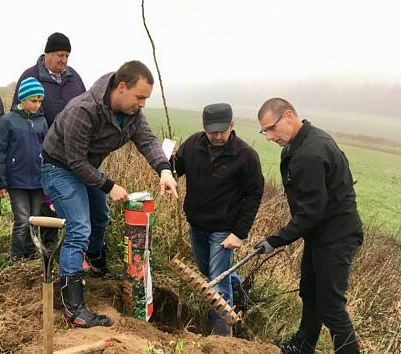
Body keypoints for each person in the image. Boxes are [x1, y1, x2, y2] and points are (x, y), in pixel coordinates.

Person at [41, 60, 178, 328]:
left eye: (145, 99)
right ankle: (74, 307)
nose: (142, 104)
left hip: (86, 167)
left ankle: (94, 268)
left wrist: (164, 170)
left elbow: (148, 141)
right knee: (80, 227)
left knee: (100, 218)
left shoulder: (132, 115)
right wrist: (109, 186)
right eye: (139, 97)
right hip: (59, 167)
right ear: (122, 87)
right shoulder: (84, 110)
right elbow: (75, 161)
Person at [255, 98, 362, 354]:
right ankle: (303, 345)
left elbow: (310, 213)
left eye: (271, 128)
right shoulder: (298, 145)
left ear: (289, 116)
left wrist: (275, 240)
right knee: (310, 294)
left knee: (331, 306)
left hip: (337, 237)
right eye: (264, 131)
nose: (269, 137)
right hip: (319, 236)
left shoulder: (312, 152)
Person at [173, 103, 264, 336]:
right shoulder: (193, 145)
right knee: (208, 269)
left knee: (216, 283)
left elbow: (254, 195)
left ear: (232, 125)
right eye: (213, 131)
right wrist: (166, 160)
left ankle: (222, 338)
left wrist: (239, 233)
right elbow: (176, 169)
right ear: (204, 127)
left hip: (224, 230)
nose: (218, 135)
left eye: (223, 130)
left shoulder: (245, 156)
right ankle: (239, 291)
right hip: (197, 224)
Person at [0, 77, 48, 261]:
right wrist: (1, 181)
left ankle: (31, 255)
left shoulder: (42, 122)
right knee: (22, 221)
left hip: (38, 181)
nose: (38, 104)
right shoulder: (8, 121)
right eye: (34, 101)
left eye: (40, 100)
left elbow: (47, 150)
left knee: (34, 221)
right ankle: (16, 258)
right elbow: (0, 152)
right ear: (22, 100)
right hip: (17, 181)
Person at [12, 32, 86, 127]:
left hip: (71, 138)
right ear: (47, 54)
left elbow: (85, 108)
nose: (64, 60)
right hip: (39, 139)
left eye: (67, 56)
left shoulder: (75, 78)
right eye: (60, 55)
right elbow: (17, 113)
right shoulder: (30, 76)